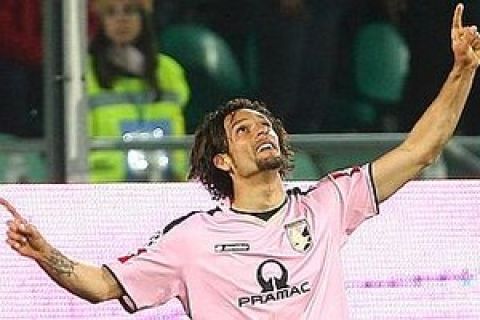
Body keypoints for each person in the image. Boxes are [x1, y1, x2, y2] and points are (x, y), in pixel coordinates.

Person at [4, 4, 479, 319]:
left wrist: (461, 71)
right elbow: (103, 286)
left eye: (265, 124)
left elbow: (421, 149)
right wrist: (47, 254)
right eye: (244, 130)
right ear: (224, 161)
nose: (263, 131)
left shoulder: (327, 203)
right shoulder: (192, 238)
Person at [87, 0, 190, 182]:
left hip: (166, 185)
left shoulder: (169, 71)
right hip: (107, 190)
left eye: (129, 11)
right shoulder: (86, 73)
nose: (121, 20)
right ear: (101, 21)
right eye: (111, 12)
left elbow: (179, 129)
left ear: (143, 17)